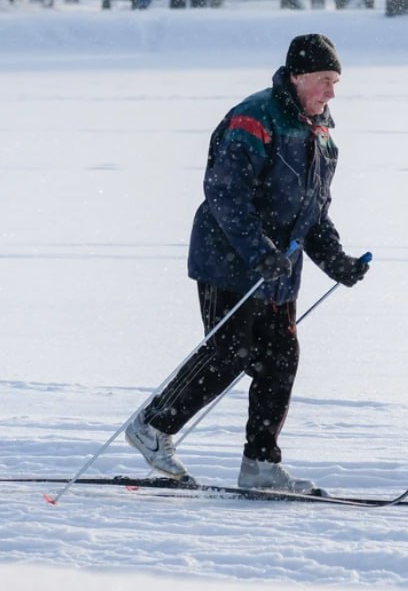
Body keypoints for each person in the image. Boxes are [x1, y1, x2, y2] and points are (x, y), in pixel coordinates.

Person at [126, 34, 370, 493]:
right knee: (228, 352)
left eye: (335, 82)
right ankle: (153, 426)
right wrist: (259, 251)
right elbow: (226, 194)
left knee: (281, 360)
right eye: (324, 80)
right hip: (229, 258)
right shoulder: (254, 118)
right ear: (296, 76)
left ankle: (260, 465)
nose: (331, 93)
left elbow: (313, 213)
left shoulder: (321, 137)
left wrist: (339, 263)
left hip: (279, 271)